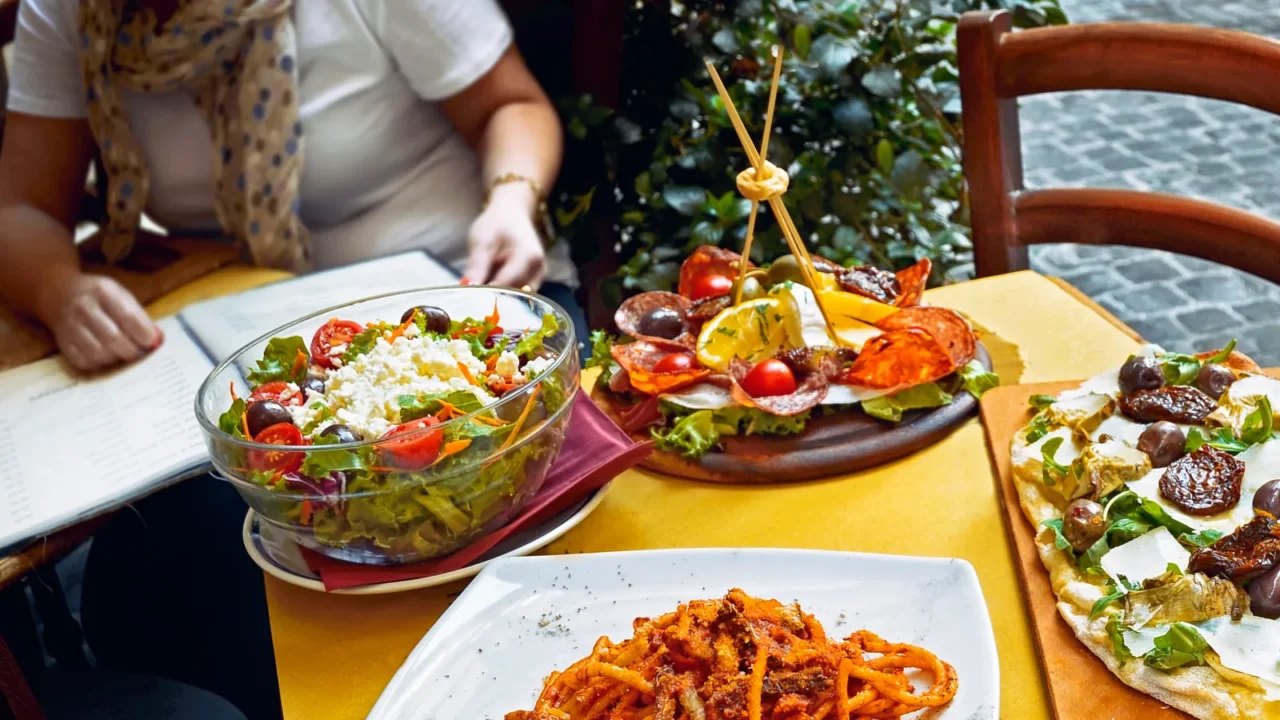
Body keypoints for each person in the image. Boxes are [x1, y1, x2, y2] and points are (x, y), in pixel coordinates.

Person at [0, 1, 580, 718]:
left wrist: (512, 202)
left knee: (466, 512)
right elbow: (19, 205)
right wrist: (60, 290)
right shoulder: (71, 11)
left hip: (476, 311)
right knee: (155, 573)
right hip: (272, 359)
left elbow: (515, 105)